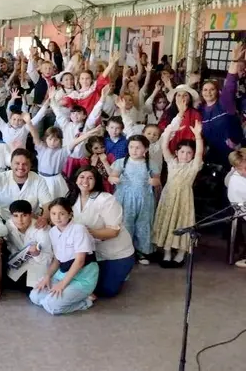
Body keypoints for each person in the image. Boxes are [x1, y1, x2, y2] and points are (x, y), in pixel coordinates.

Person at [70, 166, 135, 297]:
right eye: (82, 177)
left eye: (90, 178)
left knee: (106, 291)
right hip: (92, 251)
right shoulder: (72, 199)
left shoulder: (106, 199)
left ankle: (123, 272)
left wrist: (86, 232)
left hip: (116, 253)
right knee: (85, 285)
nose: (85, 181)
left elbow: (113, 232)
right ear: (76, 180)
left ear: (96, 181)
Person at [29, 198, 99, 316]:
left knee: (52, 306)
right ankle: (59, 298)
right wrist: (47, 276)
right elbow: (57, 260)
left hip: (82, 276)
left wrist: (62, 284)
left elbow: (80, 261)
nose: (57, 217)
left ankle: (86, 300)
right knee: (35, 296)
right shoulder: (53, 232)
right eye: (53, 213)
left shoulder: (79, 229)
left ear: (70, 214)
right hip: (63, 273)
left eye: (61, 213)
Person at [153, 121, 204, 267]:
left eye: (189, 153)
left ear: (193, 155)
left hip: (184, 199)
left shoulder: (194, 166)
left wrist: (197, 136)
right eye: (182, 152)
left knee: (183, 223)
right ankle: (167, 252)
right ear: (176, 152)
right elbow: (164, 147)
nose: (185, 155)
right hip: (168, 197)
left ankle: (181, 253)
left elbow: (199, 153)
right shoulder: (172, 162)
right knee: (168, 223)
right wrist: (170, 131)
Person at [105, 135, 159, 265]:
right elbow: (111, 176)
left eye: (138, 147)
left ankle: (141, 251)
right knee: (125, 224)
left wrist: (154, 181)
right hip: (124, 199)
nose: (134, 150)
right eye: (131, 147)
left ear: (146, 149)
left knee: (143, 224)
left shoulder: (151, 164)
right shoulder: (121, 162)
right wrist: (113, 179)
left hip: (144, 199)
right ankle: (125, 251)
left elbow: (157, 180)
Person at [4, 200, 52, 292]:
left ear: (31, 215)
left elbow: (49, 258)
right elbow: (10, 244)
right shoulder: (9, 225)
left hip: (38, 266)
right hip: (18, 267)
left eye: (24, 215)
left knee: (33, 291)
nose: (20, 220)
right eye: (16, 216)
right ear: (11, 216)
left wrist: (37, 254)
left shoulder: (43, 229)